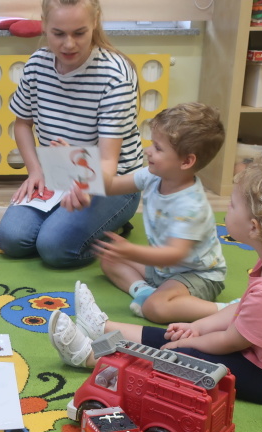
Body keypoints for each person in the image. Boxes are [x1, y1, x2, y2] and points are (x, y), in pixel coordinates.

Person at [49, 156, 262, 406]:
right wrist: (198, 327)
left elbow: (231, 340)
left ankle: (89, 357)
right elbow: (242, 310)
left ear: (254, 227)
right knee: (182, 337)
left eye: (232, 206)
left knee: (182, 356)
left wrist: (189, 341)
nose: (226, 209)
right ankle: (103, 328)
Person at [0, 0, 143, 268]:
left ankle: (111, 223)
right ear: (44, 25)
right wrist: (36, 170)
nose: (68, 44)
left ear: (95, 22)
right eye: (58, 33)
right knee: (11, 239)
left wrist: (82, 181)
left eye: (79, 32)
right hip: (60, 172)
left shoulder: (114, 75)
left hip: (112, 182)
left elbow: (108, 163)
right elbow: (22, 123)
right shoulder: (37, 64)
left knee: (54, 248)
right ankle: (81, 226)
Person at [91, 102, 228, 323]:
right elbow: (111, 186)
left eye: (158, 148)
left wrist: (132, 251)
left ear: (186, 161)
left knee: (156, 308)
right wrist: (82, 167)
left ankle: (228, 311)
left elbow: (174, 254)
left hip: (196, 275)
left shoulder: (191, 206)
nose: (148, 150)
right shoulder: (153, 175)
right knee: (109, 260)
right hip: (163, 269)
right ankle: (145, 291)